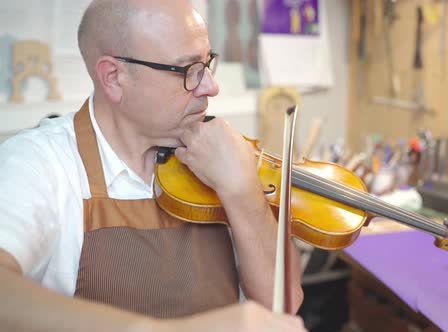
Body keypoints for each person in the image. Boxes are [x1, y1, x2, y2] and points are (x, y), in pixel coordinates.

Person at [0, 0, 306, 331]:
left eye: (207, 64)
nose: (210, 87)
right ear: (114, 77)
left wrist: (245, 194)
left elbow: (284, 305)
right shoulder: (41, 163)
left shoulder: (219, 153)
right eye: (188, 70)